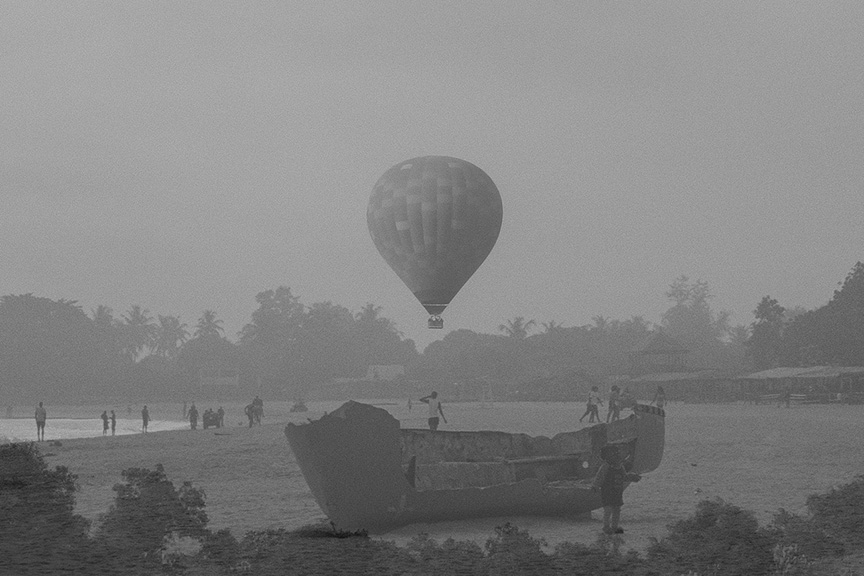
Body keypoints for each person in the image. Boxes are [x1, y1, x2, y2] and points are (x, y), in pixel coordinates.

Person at [591, 445, 642, 534]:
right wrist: (595, 486)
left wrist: (632, 477)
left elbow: (624, 477)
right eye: (614, 454)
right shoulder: (605, 466)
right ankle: (606, 527)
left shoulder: (620, 467)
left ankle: (614, 527)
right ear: (607, 457)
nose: (617, 456)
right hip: (607, 492)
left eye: (617, 454)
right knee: (608, 510)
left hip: (617, 492)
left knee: (617, 510)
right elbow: (599, 477)